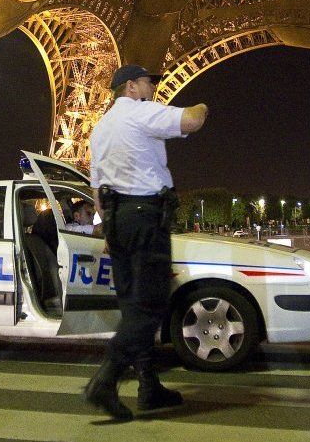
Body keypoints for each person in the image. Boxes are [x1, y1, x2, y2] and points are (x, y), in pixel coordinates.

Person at [83, 64, 208, 421]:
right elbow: (192, 121)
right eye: (149, 82)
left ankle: (149, 386)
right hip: (145, 218)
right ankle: (105, 381)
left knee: (132, 307)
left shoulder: (100, 129)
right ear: (132, 87)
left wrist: (108, 229)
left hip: (117, 220)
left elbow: (96, 188)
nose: (154, 86)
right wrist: (205, 106)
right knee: (150, 305)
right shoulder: (140, 112)